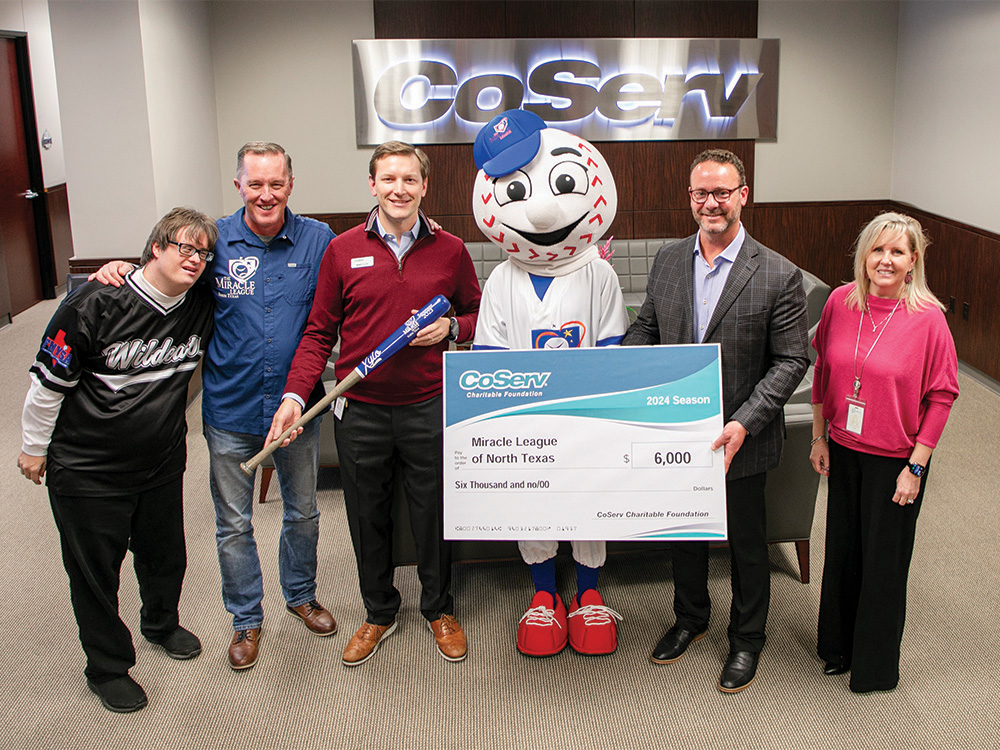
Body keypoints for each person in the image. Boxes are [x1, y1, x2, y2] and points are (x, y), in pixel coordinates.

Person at [92, 142, 338, 670]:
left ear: (291, 184)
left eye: (276, 184)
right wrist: (118, 269)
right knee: (234, 523)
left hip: (297, 409)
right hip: (230, 407)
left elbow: (346, 299)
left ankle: (301, 596)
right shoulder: (215, 241)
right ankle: (246, 618)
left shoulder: (320, 240)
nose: (266, 194)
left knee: (304, 513)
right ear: (239, 186)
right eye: (255, 184)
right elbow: (165, 277)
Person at [267, 141, 481, 666]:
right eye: (389, 179)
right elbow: (319, 332)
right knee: (368, 516)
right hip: (359, 408)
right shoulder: (342, 250)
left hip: (429, 404)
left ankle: (438, 608)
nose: (399, 189)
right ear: (373, 185)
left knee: (433, 513)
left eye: (410, 180)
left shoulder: (451, 249)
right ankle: (379, 613)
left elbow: (482, 314)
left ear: (424, 187)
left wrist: (452, 327)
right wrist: (296, 394)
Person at [623, 149, 809, 693]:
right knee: (684, 533)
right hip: (679, 434)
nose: (711, 202)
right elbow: (647, 330)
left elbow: (793, 359)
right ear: (690, 199)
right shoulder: (669, 259)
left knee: (748, 544)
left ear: (742, 196)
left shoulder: (778, 272)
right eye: (701, 193)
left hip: (741, 438)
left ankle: (747, 639)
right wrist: (628, 371)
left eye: (722, 192)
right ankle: (690, 620)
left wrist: (745, 421)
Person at [18, 207, 217, 713]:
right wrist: (34, 446)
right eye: (184, 248)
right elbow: (48, 384)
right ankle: (107, 667)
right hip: (88, 468)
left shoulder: (202, 302)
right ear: (156, 248)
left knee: (164, 554)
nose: (195, 260)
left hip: (161, 460)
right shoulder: (94, 302)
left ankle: (161, 624)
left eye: (203, 253)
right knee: (95, 573)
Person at [469, 110, 628, 657]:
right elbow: (486, 358)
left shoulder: (598, 272)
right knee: (530, 503)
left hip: (584, 418)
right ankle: (543, 595)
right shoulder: (500, 279)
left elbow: (612, 349)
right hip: (524, 421)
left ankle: (587, 591)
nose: (540, 209)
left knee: (588, 501)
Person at [809, 212, 958, 693]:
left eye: (897, 251)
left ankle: (873, 667)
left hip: (897, 460)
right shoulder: (839, 302)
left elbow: (942, 396)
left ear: (913, 261)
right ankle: (836, 648)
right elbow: (822, 374)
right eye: (878, 250)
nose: (886, 260)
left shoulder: (929, 319)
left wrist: (916, 466)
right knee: (843, 551)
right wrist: (818, 435)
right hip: (843, 449)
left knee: (883, 563)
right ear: (864, 256)